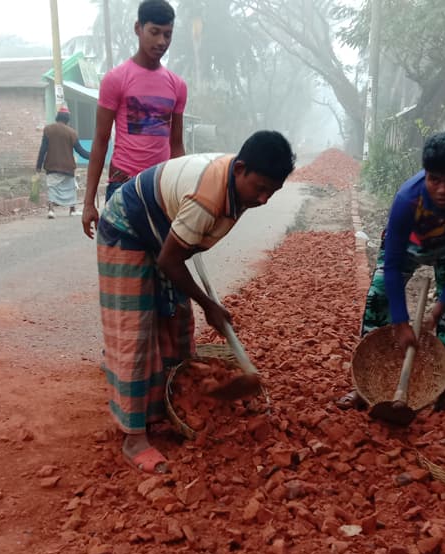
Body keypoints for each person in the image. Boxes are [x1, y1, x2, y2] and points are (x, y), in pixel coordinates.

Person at [89, 131, 295, 474]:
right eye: (259, 188)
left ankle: (166, 406)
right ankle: (134, 436)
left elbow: (180, 249)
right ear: (240, 168)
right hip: (128, 229)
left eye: (271, 192)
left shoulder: (238, 184)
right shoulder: (208, 197)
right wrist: (208, 304)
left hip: (162, 234)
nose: (263, 199)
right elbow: (170, 262)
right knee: (135, 333)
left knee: (177, 321)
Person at [337, 131, 445, 412]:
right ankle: (363, 388)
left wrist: (437, 311)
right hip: (409, 246)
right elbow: (394, 262)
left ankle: (443, 394)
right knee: (378, 297)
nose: (442, 190)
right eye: (434, 179)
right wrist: (400, 321)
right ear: (425, 175)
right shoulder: (407, 199)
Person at [82, 0, 187, 236]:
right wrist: (89, 202)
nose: (162, 41)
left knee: (161, 268)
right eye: (154, 32)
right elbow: (100, 141)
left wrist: (184, 189)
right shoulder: (115, 79)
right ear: (138, 28)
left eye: (168, 34)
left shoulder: (177, 85)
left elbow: (177, 144)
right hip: (123, 187)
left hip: (161, 189)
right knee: (121, 269)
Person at [36, 106, 90, 218]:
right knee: (70, 188)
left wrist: (38, 166)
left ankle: (51, 210)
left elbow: (43, 149)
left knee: (52, 187)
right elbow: (80, 151)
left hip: (52, 165)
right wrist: (93, 156)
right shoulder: (72, 132)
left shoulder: (48, 129)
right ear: (67, 119)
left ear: (57, 117)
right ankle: (72, 210)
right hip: (67, 166)